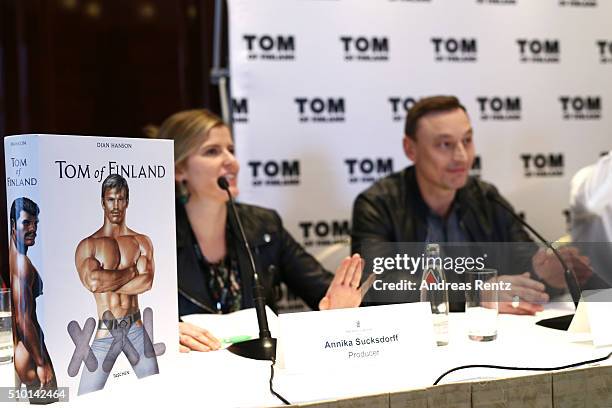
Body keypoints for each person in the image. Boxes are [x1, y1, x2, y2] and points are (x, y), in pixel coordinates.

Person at [150, 109, 364, 353]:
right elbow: (123, 318)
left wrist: (336, 309)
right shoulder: (155, 236)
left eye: (231, 150)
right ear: (179, 170)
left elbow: (322, 293)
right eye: (212, 151)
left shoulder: (264, 225)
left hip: (260, 369)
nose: (231, 161)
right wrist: (162, 329)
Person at [351, 95, 587, 315]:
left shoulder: (485, 198)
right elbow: (377, 288)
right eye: (445, 144)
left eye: (467, 140)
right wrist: (474, 293)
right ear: (410, 149)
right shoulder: (377, 205)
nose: (462, 156)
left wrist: (545, 274)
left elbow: (523, 265)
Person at [74, 174, 159, 395]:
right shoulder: (89, 245)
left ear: (127, 202)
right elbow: (93, 282)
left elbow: (147, 281)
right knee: (86, 396)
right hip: (106, 329)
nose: (116, 205)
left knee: (156, 391)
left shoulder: (141, 241)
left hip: (136, 327)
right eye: (111, 199)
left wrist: (108, 282)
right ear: (102, 202)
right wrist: (131, 271)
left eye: (121, 199)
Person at [10, 197, 59, 403]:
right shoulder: (22, 265)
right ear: (13, 225)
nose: (33, 228)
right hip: (31, 355)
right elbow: (23, 319)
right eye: (26, 223)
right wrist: (41, 362)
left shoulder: (15, 257)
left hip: (23, 350)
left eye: (35, 223)